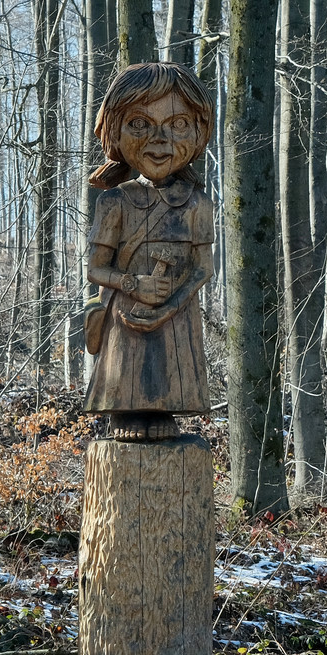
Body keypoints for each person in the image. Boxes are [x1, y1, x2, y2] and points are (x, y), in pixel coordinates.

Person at [83, 63, 215, 442]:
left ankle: (164, 411)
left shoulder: (197, 205)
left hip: (177, 318)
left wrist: (170, 306)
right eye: (140, 124)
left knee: (167, 379)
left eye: (177, 125)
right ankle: (125, 412)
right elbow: (95, 268)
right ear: (115, 132)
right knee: (127, 372)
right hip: (125, 316)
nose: (159, 140)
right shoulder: (114, 203)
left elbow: (203, 269)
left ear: (198, 130)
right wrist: (132, 284)